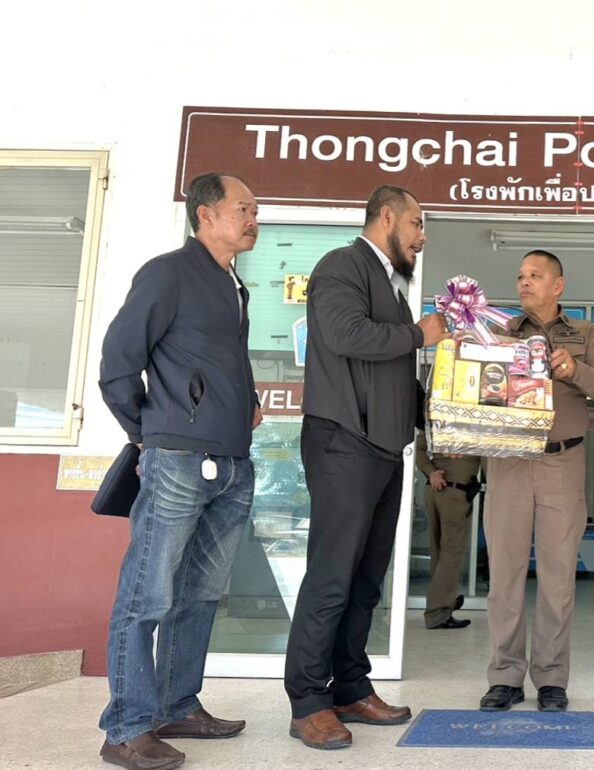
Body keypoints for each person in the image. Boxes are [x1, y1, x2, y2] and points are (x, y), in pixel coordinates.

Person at [97, 173, 263, 770]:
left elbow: (215, 360)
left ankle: (176, 706)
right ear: (206, 215)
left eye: (255, 210)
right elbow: (118, 363)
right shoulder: (167, 273)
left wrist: (244, 404)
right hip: (177, 459)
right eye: (243, 209)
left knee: (201, 593)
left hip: (231, 460)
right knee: (147, 596)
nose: (253, 219)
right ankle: (126, 728)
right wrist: (149, 433)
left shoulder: (233, 284)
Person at [283, 185, 449, 750]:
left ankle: (350, 687)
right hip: (343, 443)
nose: (422, 237)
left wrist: (449, 412)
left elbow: (395, 375)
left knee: (364, 581)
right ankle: (308, 701)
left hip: (383, 448)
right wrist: (418, 334)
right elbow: (344, 334)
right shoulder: (342, 265)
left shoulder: (391, 287)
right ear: (387, 217)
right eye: (418, 224)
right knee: (331, 577)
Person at [480, 250, 594, 713]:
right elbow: (478, 392)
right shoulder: (499, 332)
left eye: (535, 275)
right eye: (520, 275)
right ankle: (505, 676)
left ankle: (552, 678)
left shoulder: (585, 333)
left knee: (558, 578)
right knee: (505, 575)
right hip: (509, 461)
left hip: (562, 463)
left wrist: (574, 369)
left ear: (558, 285)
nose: (524, 282)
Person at [414, 431, 480, 629]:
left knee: (440, 554)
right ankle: (438, 612)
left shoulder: (442, 420)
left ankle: (444, 602)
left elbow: (417, 447)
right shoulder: (477, 426)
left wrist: (431, 472)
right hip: (456, 494)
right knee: (451, 555)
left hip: (435, 489)